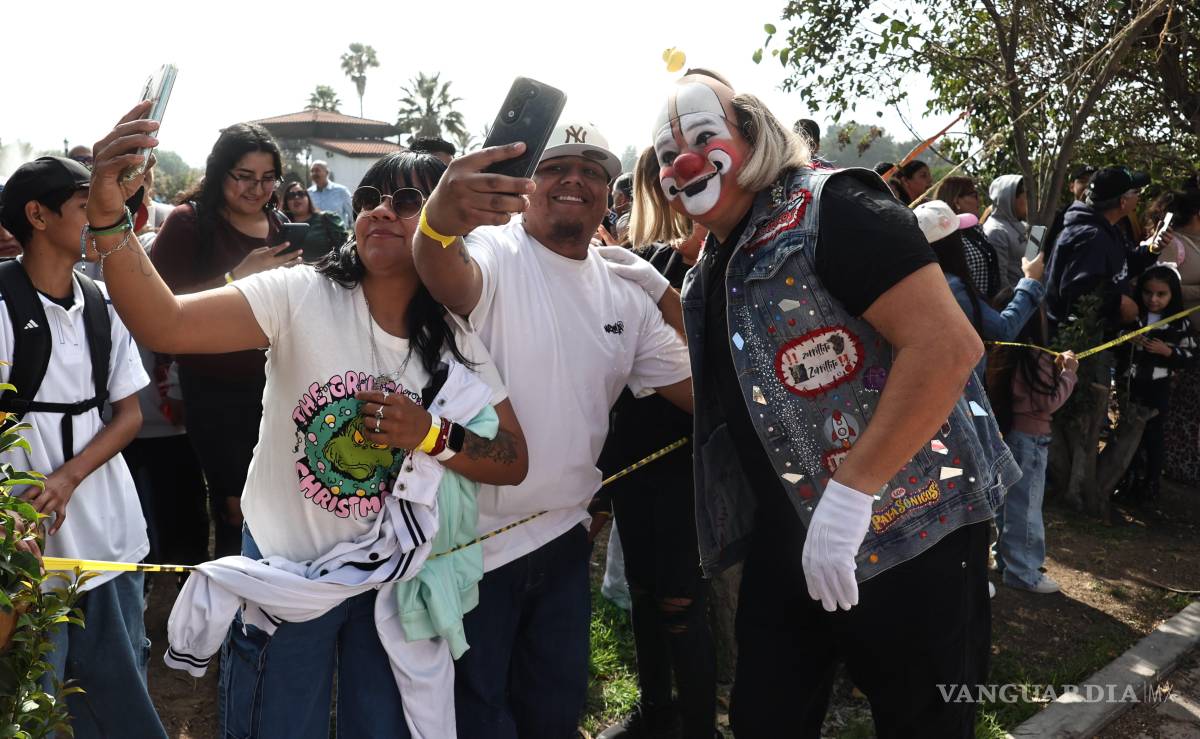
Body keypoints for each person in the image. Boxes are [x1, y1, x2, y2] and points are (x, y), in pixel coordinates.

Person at [85, 105, 529, 738]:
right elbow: (166, 323)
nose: (379, 208)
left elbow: (513, 458)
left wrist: (428, 435)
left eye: (408, 201)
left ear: (446, 228)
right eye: (372, 195)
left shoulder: (456, 341)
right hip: (286, 576)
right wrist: (107, 216)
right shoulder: (299, 294)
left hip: (385, 580)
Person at [631, 69, 1018, 739]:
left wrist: (851, 494)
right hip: (789, 545)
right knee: (765, 716)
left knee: (921, 722)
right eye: (666, 155)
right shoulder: (707, 267)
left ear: (751, 134)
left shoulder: (834, 206)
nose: (683, 162)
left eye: (701, 137)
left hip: (911, 531)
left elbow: (947, 346)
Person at [411, 121, 693, 738]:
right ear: (526, 186)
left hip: (564, 539)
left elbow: (706, 395)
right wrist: (438, 219)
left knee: (554, 711)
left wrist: (667, 293)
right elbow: (441, 269)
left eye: (592, 169)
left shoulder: (626, 290)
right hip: (468, 546)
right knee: (478, 715)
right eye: (554, 166)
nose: (573, 180)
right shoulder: (492, 251)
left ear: (607, 191)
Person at [0, 156, 165, 737]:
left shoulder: (100, 300)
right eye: (82, 206)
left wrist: (68, 477)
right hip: (25, 540)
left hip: (109, 530)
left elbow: (127, 415)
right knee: (29, 695)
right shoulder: (0, 306)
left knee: (120, 689)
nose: (95, 219)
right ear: (36, 215)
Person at [596, 180, 715, 739]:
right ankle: (656, 710)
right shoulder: (647, 260)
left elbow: (715, 366)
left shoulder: (726, 275)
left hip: (685, 467)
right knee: (645, 591)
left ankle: (698, 727)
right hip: (633, 462)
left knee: (681, 599)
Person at [151, 123, 301, 557]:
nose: (257, 189)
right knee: (234, 506)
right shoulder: (189, 223)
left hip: (280, 384)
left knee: (279, 501)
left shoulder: (282, 226)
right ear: (220, 173)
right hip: (214, 389)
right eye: (244, 176)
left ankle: (273, 597)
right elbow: (159, 306)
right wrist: (239, 278)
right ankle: (229, 604)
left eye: (267, 178)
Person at [988, 318, 1078, 593]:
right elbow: (1047, 401)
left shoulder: (1001, 352)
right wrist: (1069, 373)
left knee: (1007, 504)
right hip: (1031, 439)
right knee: (1025, 506)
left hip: (1007, 434)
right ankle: (1023, 571)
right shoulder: (1035, 356)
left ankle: (1006, 559)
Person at [915, 200, 1045, 375]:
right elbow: (1002, 330)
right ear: (953, 243)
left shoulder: (918, 283)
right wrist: (1030, 280)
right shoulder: (952, 288)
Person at [1044, 166, 1159, 334]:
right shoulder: (1090, 237)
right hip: (1076, 341)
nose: (1139, 196)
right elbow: (1078, 293)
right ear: (1122, 202)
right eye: (1136, 192)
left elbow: (1121, 266)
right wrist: (1119, 303)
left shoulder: (1107, 228)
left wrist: (1153, 249)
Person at [1118, 265, 1196, 502]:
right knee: (1126, 430)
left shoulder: (1179, 324)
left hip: (1159, 387)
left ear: (1172, 295)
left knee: (1153, 435)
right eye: (1148, 293)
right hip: (1130, 384)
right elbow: (1114, 342)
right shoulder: (1134, 316)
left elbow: (1191, 355)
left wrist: (1168, 352)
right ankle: (1125, 478)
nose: (1153, 300)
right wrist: (1127, 341)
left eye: (1161, 294)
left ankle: (1151, 482)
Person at [1161, 187, 1200, 488]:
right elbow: (1160, 284)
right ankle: (1174, 465)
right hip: (1177, 339)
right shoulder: (1175, 244)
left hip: (1192, 342)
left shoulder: (1193, 244)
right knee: (1179, 408)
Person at [934, 176, 1001, 299]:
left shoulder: (975, 230)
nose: (979, 200)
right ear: (956, 201)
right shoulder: (948, 239)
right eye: (974, 195)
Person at [281, 180, 349, 261]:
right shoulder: (281, 225)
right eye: (291, 195)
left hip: (324, 271)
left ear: (308, 198)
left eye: (301, 193)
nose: (296, 197)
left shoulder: (327, 218)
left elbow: (344, 249)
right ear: (286, 202)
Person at [984, 174, 1029, 291]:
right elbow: (1001, 282)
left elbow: (1032, 260)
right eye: (1026, 196)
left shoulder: (1022, 225)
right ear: (1010, 198)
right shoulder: (996, 231)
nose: (1030, 202)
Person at [1045, 164, 1096, 257]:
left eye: (1093, 182)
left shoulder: (1108, 217)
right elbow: (1033, 254)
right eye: (1083, 181)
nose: (1088, 186)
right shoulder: (1056, 217)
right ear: (1072, 187)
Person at [308, 160, 355, 227]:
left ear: (327, 173)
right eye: (312, 171)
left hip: (338, 235)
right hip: (315, 235)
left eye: (317, 170)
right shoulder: (308, 194)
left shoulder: (341, 191)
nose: (314, 173)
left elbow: (353, 215)